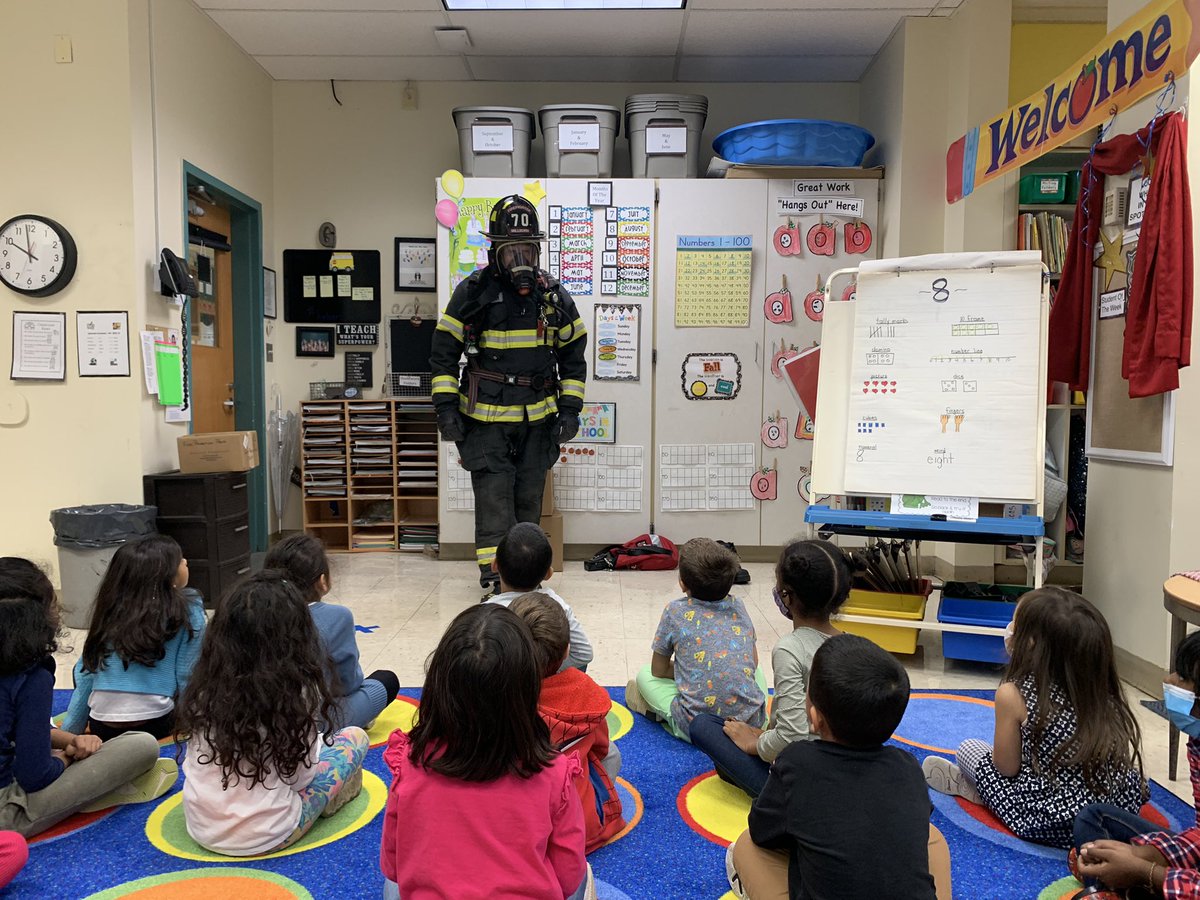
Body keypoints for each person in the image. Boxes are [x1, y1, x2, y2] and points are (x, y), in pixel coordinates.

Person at [430, 194, 588, 598]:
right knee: (494, 502)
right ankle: (494, 580)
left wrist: (570, 411)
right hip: (484, 423)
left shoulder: (553, 297)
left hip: (538, 424)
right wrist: (447, 409)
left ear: (537, 251)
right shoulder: (472, 293)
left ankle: (527, 577)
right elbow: (443, 354)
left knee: (528, 501)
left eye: (528, 250)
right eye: (511, 251)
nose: (521, 260)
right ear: (494, 252)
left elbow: (574, 357)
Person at [380, 604, 591, 900]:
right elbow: (569, 877)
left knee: (392, 887)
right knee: (586, 875)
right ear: (528, 690)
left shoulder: (410, 764)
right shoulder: (553, 773)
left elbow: (393, 866)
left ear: (439, 685)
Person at [923, 586, 1146, 849]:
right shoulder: (1103, 694)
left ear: (1030, 643)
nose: (1010, 629)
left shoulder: (1013, 693)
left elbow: (1006, 767)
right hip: (1110, 820)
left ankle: (980, 792)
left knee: (969, 750)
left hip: (1047, 822)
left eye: (1015, 624)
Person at [727, 634, 945, 900]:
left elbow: (762, 831)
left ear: (815, 717)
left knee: (745, 847)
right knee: (933, 839)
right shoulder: (909, 767)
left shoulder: (797, 762)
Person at [177, 571, 368, 856]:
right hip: (271, 833)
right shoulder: (294, 695)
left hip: (201, 827)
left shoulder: (204, 690)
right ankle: (329, 802)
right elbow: (302, 778)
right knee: (355, 737)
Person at [0, 557, 175, 839]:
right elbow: (35, 776)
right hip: (7, 812)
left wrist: (70, 739)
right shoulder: (32, 676)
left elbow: (13, 728)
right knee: (141, 745)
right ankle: (97, 793)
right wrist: (66, 757)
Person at [690, 539, 850, 797]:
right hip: (846, 771)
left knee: (703, 726)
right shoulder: (852, 644)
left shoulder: (790, 649)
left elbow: (793, 737)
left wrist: (755, 744)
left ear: (786, 596)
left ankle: (778, 799)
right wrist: (766, 735)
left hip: (802, 782)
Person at [1069, 630, 1200, 890]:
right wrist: (1146, 854)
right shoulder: (1198, 741)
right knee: (1094, 818)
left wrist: (1147, 872)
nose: (1169, 679)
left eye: (1183, 677)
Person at [510, 592, 624, 853]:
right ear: (567, 650)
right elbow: (602, 751)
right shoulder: (584, 691)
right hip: (579, 829)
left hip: (514, 832)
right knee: (611, 752)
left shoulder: (496, 691)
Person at [61, 535, 205, 740]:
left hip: (103, 725)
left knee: (83, 668)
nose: (185, 562)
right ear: (167, 576)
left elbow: (86, 674)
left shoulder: (109, 609)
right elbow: (187, 674)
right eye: (180, 560)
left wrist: (70, 733)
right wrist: (193, 725)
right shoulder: (190, 610)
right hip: (156, 723)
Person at [625, 538, 766, 743]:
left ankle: (666, 717)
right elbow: (753, 662)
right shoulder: (739, 606)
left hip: (697, 727)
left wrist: (693, 671)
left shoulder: (675, 610)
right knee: (754, 672)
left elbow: (658, 669)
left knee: (645, 675)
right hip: (750, 724)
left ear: (683, 583)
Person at [263, 533, 399, 730]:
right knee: (386, 680)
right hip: (314, 724)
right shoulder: (337, 616)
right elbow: (348, 684)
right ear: (322, 581)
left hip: (253, 719)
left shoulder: (249, 611)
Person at [486, 522, 592, 671]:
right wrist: (548, 671)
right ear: (548, 574)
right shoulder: (557, 605)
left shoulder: (485, 611)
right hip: (547, 682)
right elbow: (584, 654)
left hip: (505, 686)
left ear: (494, 565)